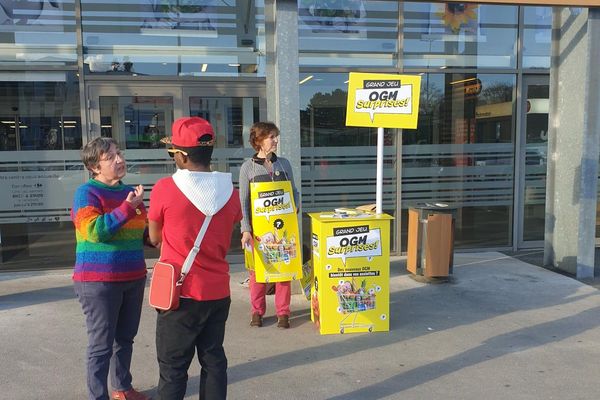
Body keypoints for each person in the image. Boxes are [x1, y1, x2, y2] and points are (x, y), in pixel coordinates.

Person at [148, 117, 242, 400]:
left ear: (182, 155)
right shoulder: (231, 192)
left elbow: (154, 238)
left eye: (173, 151)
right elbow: (228, 229)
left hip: (180, 293)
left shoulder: (165, 188)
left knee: (173, 368)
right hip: (218, 291)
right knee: (213, 361)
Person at [71, 137, 150, 400]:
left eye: (119, 153)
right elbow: (94, 231)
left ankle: (122, 388)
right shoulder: (87, 193)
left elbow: (143, 234)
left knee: (125, 338)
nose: (119, 160)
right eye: (110, 157)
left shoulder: (128, 192)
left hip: (133, 277)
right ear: (94, 166)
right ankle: (98, 396)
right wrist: (130, 207)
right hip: (98, 281)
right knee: (101, 345)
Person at [239, 121, 300, 329]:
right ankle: (257, 311)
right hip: (258, 231)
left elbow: (294, 192)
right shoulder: (248, 167)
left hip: (283, 229)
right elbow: (243, 202)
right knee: (257, 274)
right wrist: (245, 229)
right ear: (258, 140)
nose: (275, 140)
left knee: (283, 269)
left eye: (275, 136)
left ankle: (283, 312)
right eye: (271, 137)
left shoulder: (284, 164)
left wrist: (295, 207)